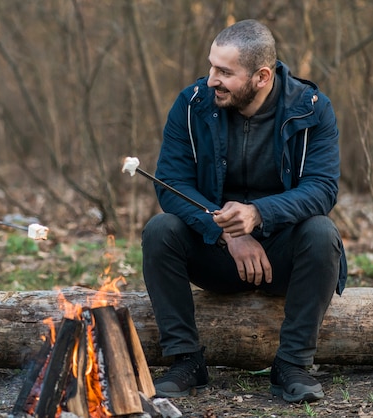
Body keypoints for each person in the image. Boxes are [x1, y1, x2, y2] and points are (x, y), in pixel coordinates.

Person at [142, 19, 347, 403]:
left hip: (282, 254)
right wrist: (226, 232)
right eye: (210, 66)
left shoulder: (312, 109)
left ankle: (292, 365)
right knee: (160, 230)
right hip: (216, 250)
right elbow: (170, 182)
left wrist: (258, 214)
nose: (210, 80)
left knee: (322, 233)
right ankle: (186, 360)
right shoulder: (192, 105)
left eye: (224, 72)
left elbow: (322, 189)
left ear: (262, 76)